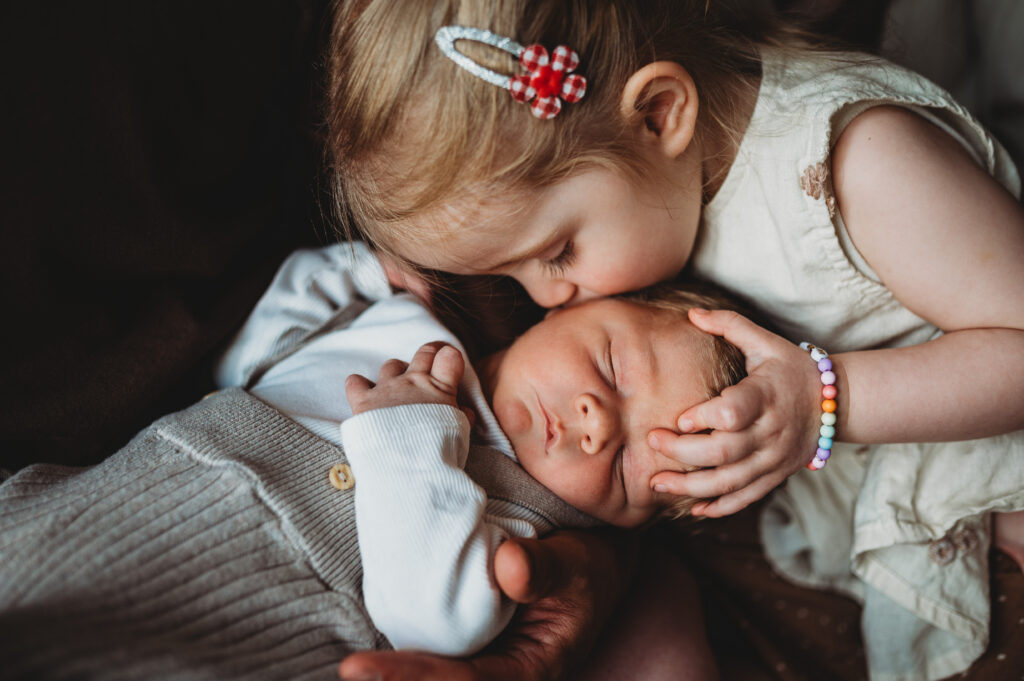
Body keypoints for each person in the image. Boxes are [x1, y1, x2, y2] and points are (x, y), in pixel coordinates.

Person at [325, 1, 1024, 679]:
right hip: (837, 484)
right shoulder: (639, 187)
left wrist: (820, 401)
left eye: (557, 252)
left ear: (661, 113)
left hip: (978, 469)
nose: (544, 296)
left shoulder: (862, 165)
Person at [0, 242, 743, 680]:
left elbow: (434, 618)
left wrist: (409, 438)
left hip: (236, 621)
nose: (595, 423)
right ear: (564, 307)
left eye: (624, 468)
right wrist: (359, 269)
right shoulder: (411, 319)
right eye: (610, 367)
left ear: (621, 522)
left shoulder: (524, 531)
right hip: (103, 505)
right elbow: (260, 348)